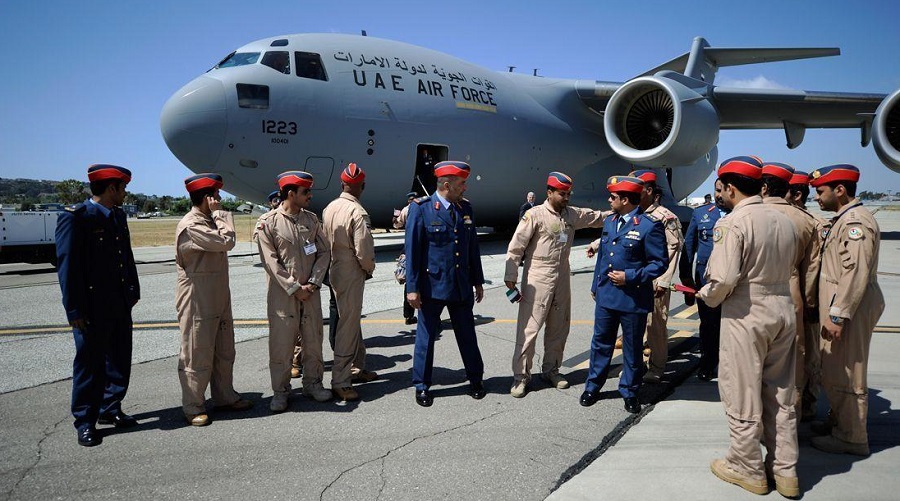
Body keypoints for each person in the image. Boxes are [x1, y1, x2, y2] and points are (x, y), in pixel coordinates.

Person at [697, 156, 799, 498]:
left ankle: (747, 467)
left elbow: (723, 279)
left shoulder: (733, 222)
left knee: (740, 390)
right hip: (783, 308)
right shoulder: (783, 219)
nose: (720, 195)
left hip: (747, 312)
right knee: (781, 394)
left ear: (731, 187)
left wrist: (707, 295)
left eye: (722, 189)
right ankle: (785, 472)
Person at [55, 164, 140, 447]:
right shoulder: (78, 218)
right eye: (123, 188)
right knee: (90, 365)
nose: (125, 193)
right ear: (111, 189)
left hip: (118, 302)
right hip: (91, 307)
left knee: (119, 359)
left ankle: (110, 408)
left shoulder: (116, 216)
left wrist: (132, 290)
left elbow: (124, 257)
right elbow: (68, 268)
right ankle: (85, 421)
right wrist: (74, 310)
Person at [504, 172, 605, 397]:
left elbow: (596, 217)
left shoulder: (571, 214)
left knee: (559, 327)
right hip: (537, 276)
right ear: (549, 193)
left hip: (562, 276)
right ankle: (521, 377)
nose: (566, 197)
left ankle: (551, 370)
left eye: (569, 193)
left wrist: (623, 210)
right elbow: (516, 245)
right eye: (562, 194)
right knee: (529, 330)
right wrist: (510, 275)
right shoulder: (535, 215)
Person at [809, 164, 884, 456]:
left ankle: (852, 438)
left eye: (820, 191)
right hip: (844, 304)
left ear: (840, 190)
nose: (816, 197)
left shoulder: (855, 223)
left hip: (850, 306)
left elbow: (856, 272)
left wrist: (839, 313)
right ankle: (840, 423)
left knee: (848, 371)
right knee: (835, 369)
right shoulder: (843, 219)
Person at [580, 175, 666, 414]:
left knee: (632, 348)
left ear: (626, 200)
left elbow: (659, 263)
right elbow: (603, 257)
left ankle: (630, 391)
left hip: (632, 298)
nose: (609, 200)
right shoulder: (610, 222)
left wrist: (630, 276)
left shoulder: (649, 226)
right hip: (607, 296)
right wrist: (596, 285)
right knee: (600, 343)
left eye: (613, 197)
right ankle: (593, 386)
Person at [405, 161, 486, 407]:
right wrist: (412, 288)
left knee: (468, 335)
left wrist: (478, 281)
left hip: (460, 286)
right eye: (462, 183)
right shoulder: (422, 209)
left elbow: (472, 248)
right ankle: (421, 385)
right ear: (447, 185)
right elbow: (413, 252)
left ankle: (475, 379)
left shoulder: (466, 208)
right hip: (432, 286)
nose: (466, 187)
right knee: (426, 337)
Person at [175, 174, 253, 426]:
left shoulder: (208, 220)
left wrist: (216, 217)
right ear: (207, 199)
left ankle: (224, 396)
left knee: (224, 348)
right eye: (216, 196)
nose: (219, 200)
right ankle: (193, 404)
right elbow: (226, 242)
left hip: (218, 293)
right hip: (198, 297)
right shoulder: (192, 225)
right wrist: (220, 216)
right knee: (197, 351)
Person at [256, 171, 332, 412]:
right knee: (281, 345)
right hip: (283, 295)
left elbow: (324, 252)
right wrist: (293, 287)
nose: (310, 195)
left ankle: (313, 383)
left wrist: (313, 282)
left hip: (310, 292)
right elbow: (270, 262)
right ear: (291, 194)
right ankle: (280, 392)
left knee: (313, 340)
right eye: (305, 192)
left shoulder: (311, 220)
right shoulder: (268, 223)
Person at [760, 162, 823, 422]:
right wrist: (809, 305)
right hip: (792, 294)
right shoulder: (807, 221)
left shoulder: (745, 215)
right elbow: (812, 269)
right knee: (794, 358)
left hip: (753, 297)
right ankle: (792, 415)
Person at [322, 163, 378, 402]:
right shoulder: (358, 212)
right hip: (350, 270)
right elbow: (363, 251)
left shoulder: (329, 207)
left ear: (341, 184)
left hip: (333, 268)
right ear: (362, 187)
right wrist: (369, 268)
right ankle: (341, 381)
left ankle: (357, 366)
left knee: (350, 320)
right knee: (347, 324)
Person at [629, 169, 683, 384]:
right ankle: (636, 366)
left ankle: (657, 367)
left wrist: (663, 280)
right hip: (635, 279)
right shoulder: (633, 214)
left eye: (637, 188)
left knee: (655, 325)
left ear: (649, 190)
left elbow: (674, 249)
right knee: (634, 324)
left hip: (655, 280)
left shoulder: (665, 218)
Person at [679, 179, 727, 381]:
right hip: (705, 281)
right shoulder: (701, 214)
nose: (718, 195)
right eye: (716, 190)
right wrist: (687, 282)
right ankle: (707, 363)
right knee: (708, 323)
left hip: (735, 282)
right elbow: (688, 249)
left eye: (721, 190)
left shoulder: (741, 216)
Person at [788, 170, 827, 420]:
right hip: (803, 301)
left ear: (797, 194)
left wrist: (811, 303)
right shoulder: (813, 222)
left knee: (809, 356)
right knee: (804, 356)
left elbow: (816, 269)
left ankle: (808, 404)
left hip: (803, 301)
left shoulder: (813, 223)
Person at [393, 191, 419, 325]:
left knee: (410, 281)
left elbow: (396, 225)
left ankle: (408, 316)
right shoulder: (423, 207)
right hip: (422, 248)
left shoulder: (405, 210)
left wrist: (395, 216)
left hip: (408, 247)